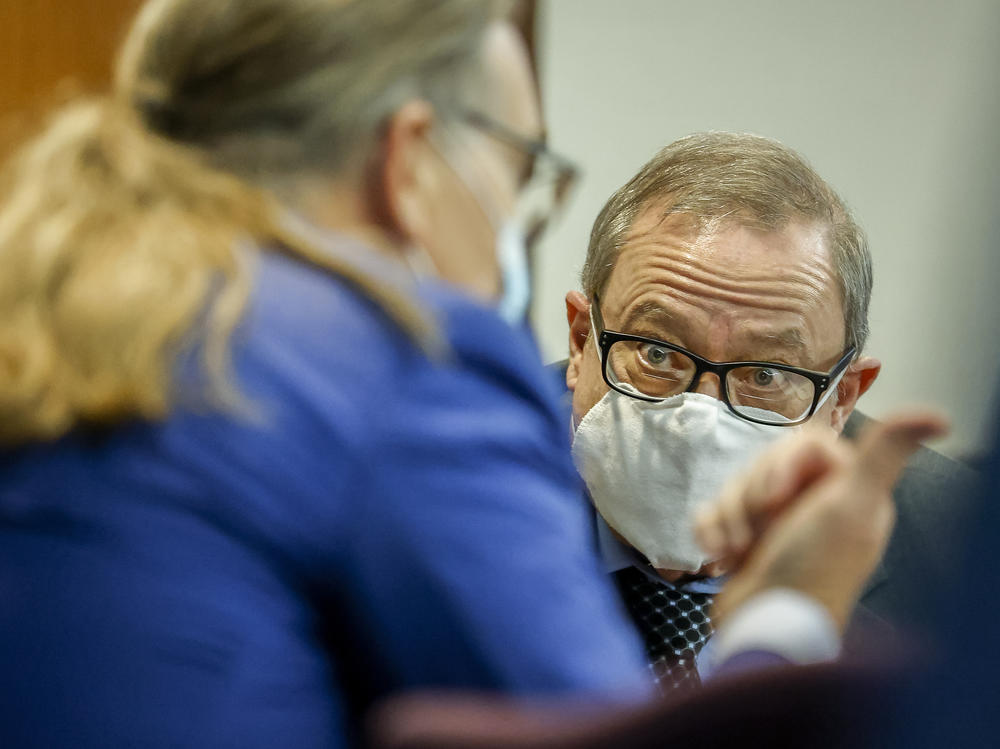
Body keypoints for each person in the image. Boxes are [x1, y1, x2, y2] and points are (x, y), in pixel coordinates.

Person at [0, 1, 941, 747]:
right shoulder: (399, 367)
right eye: (518, 162)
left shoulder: (89, 316)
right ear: (409, 160)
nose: (517, 214)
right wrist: (789, 609)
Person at [562, 132, 976, 691]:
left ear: (842, 398)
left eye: (766, 376)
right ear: (582, 339)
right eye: (658, 353)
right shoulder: (454, 477)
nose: (698, 419)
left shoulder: (962, 555)